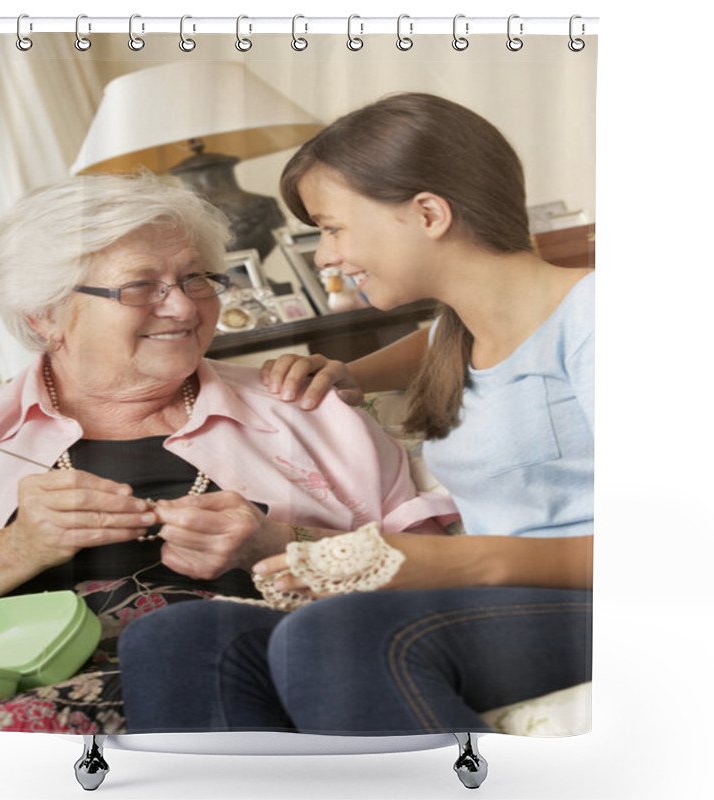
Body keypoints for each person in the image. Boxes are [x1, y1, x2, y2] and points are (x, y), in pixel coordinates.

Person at [118, 93, 593, 737]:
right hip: (503, 600)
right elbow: (438, 343)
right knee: (181, 637)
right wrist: (348, 371)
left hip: (606, 600)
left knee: (336, 636)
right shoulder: (462, 333)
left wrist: (439, 562)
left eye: (332, 227)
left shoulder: (596, 320)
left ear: (428, 213)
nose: (324, 257)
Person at [0, 172, 453, 732]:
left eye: (196, 279)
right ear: (43, 316)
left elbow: (444, 587)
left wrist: (285, 544)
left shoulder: (305, 411)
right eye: (140, 286)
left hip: (277, 691)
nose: (184, 309)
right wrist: (15, 547)